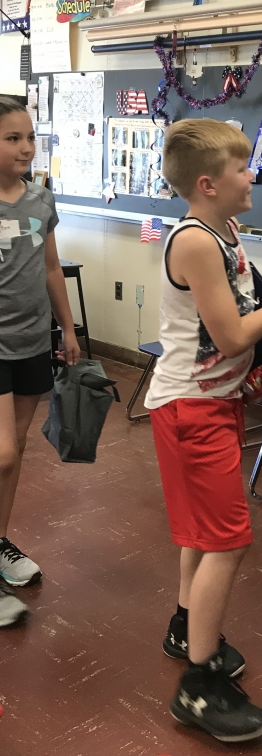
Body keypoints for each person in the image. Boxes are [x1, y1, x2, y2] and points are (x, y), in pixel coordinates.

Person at [143, 119, 262, 743]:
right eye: (243, 169)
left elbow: (236, 325)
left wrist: (253, 369)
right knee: (228, 540)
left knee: (203, 532)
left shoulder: (228, 232)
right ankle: (198, 685)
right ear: (207, 184)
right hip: (189, 409)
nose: (254, 176)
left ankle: (186, 624)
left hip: (212, 400)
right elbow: (231, 335)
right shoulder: (193, 241)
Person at [0, 98, 80, 627]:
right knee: (3, 452)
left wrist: (68, 330)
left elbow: (52, 268)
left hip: (32, 342)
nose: (26, 147)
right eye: (12, 139)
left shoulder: (40, 200)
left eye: (30, 137)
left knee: (17, 447)